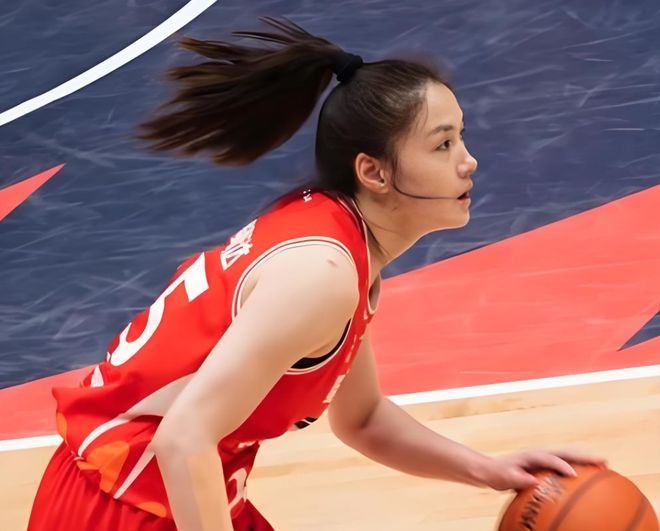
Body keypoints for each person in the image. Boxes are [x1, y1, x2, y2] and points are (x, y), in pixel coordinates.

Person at [27, 17, 605, 531]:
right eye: (443, 144)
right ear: (374, 172)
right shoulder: (321, 274)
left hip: (172, 485)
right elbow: (184, 438)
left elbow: (364, 419)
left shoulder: (339, 239)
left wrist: (489, 469)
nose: (468, 160)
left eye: (461, 136)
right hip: (123, 499)